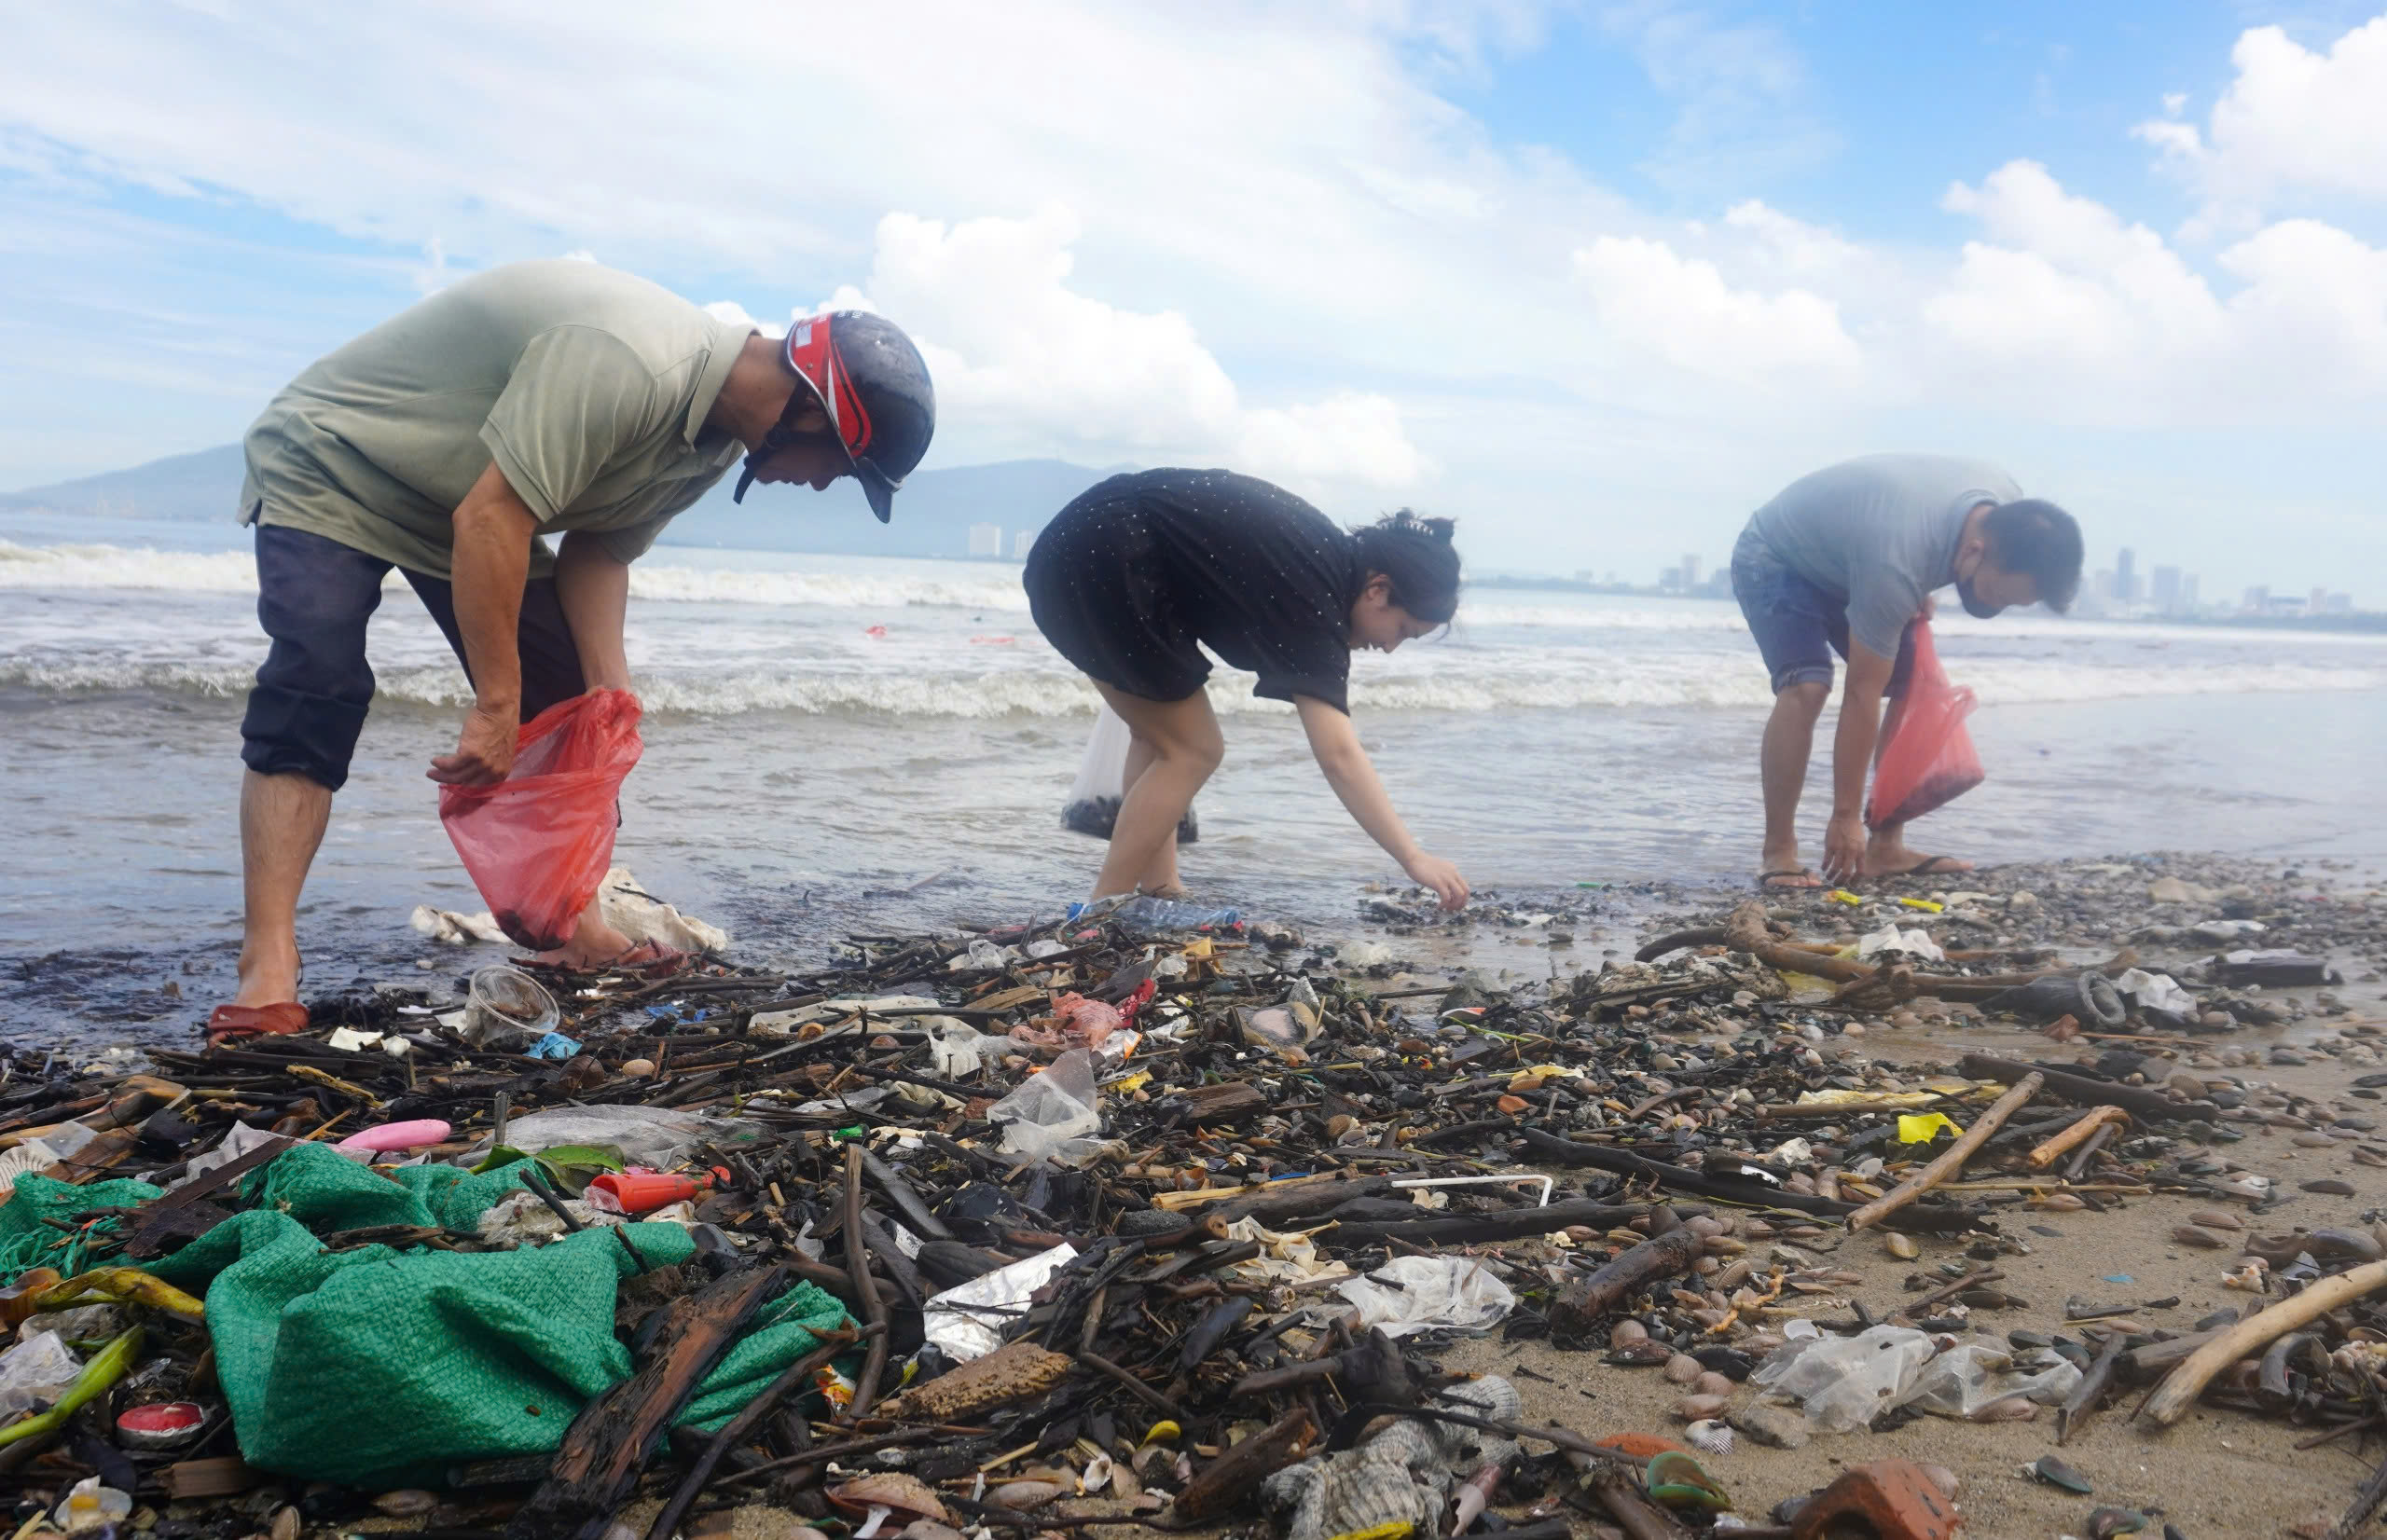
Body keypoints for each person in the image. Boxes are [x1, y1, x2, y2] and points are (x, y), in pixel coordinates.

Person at [212, 259, 934, 1042]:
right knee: (317, 679)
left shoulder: (713, 443)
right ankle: (269, 965)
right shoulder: (627, 361)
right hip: (338, 462)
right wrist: (495, 708)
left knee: (571, 703)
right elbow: (491, 522)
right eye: (841, 466)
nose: (826, 486)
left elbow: (599, 553)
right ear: (811, 410)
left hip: (463, 502)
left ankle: (569, 927)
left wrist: (608, 697)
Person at [1024, 468, 1469, 912]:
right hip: (1103, 557)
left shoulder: (1326, 564)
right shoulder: (1317, 598)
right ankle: (1105, 909)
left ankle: (1159, 888)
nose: (1390, 647)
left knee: (1163, 739)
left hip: (1077, 546)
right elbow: (1339, 756)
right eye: (1403, 630)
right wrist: (1413, 858)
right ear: (1379, 588)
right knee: (1194, 750)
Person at [1729, 453, 2081, 888]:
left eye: (2010, 603)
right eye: (1993, 593)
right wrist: (1844, 817)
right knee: (1807, 684)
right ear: (1973, 551)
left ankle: (1885, 847)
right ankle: (1778, 851)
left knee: (1912, 680)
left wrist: (1924, 577)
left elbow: (1917, 558)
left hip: (1860, 557)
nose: (1992, 607)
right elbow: (1861, 693)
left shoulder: (2010, 512)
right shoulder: (1896, 559)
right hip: (1777, 555)